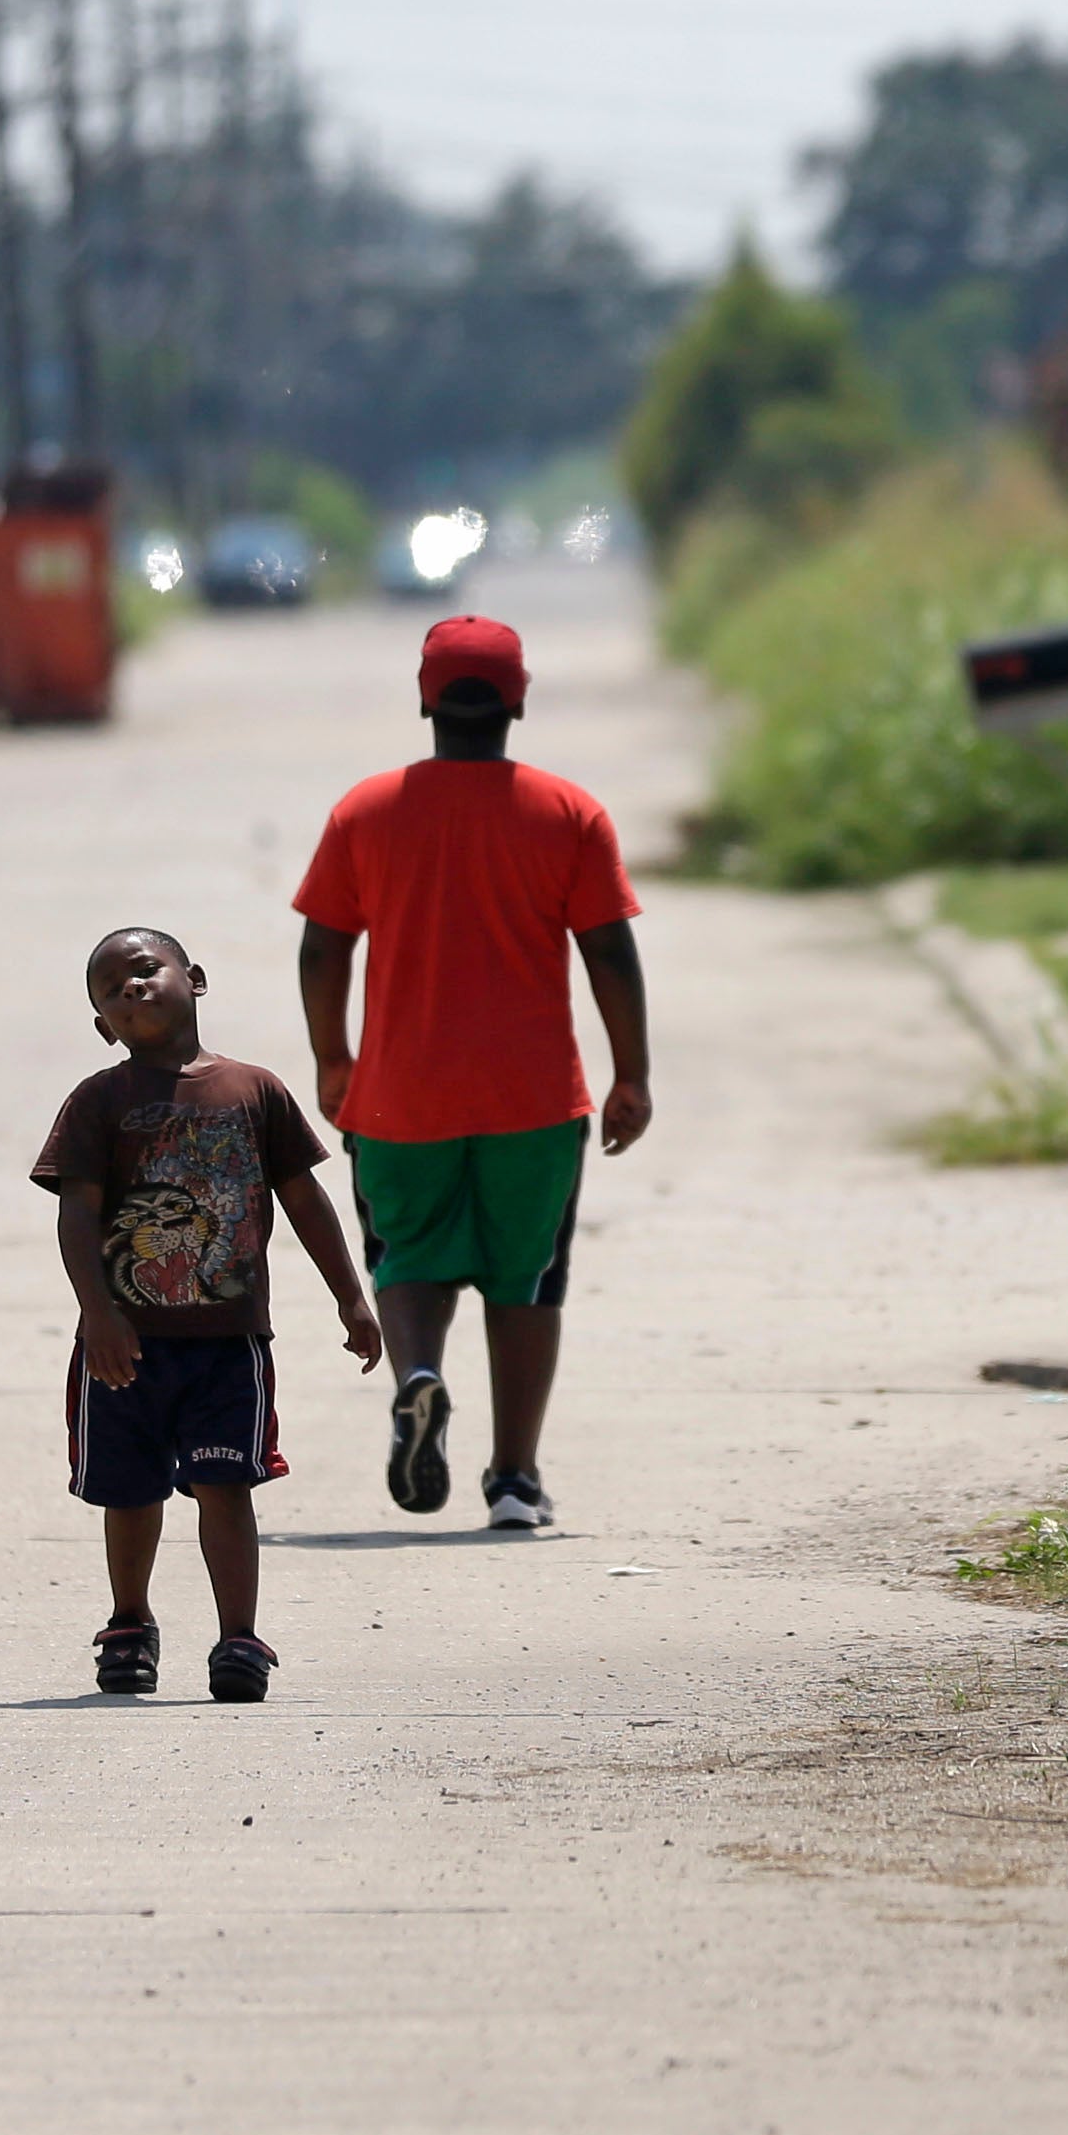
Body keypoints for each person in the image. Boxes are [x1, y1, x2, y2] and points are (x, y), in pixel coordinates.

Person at [294, 615, 651, 1533]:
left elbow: (322, 946)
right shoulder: (568, 814)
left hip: (399, 1094)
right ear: (517, 700)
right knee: (525, 1279)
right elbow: (608, 951)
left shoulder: (365, 811)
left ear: (424, 700)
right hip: (531, 1099)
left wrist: (333, 1056)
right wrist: (631, 1075)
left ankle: (418, 1376)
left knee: (408, 1256)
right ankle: (515, 1479)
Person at [33, 926, 379, 1702]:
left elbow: (303, 1198)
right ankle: (129, 1622)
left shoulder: (253, 1089)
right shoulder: (98, 1100)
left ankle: (238, 1638)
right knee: (128, 1492)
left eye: (144, 969)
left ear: (194, 977)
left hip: (228, 1343)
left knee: (227, 1486)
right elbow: (77, 1216)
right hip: (125, 1341)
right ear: (102, 1025)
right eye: (110, 988)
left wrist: (349, 1295)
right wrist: (99, 1313)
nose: (131, 987)